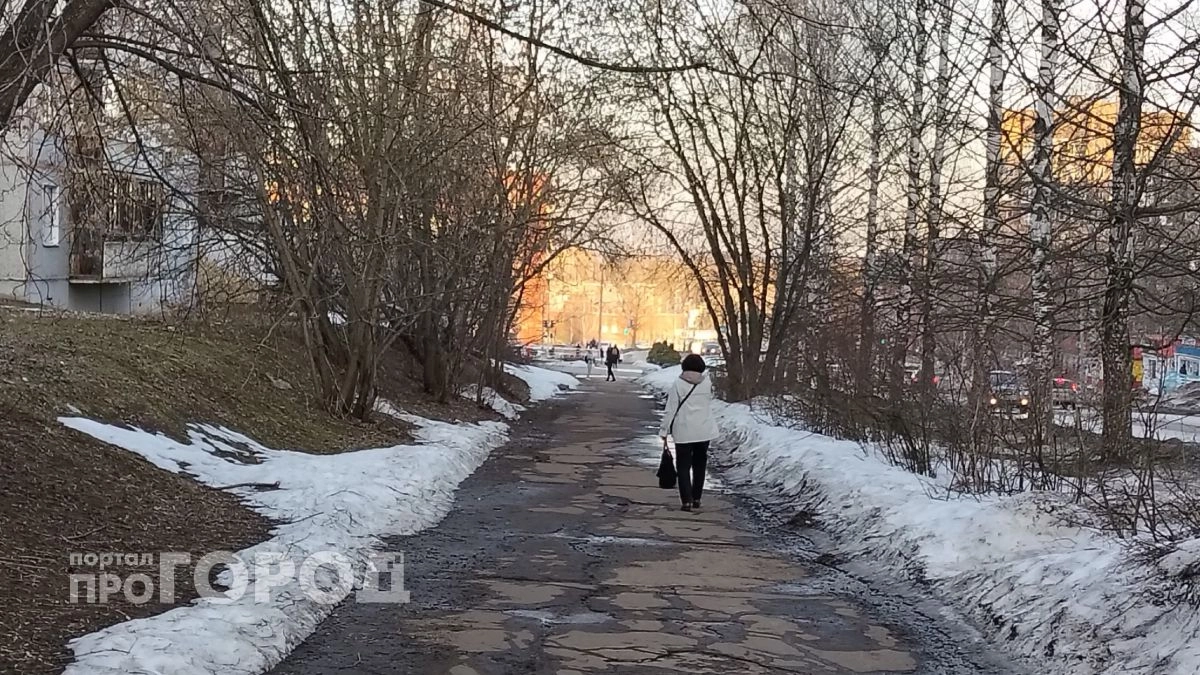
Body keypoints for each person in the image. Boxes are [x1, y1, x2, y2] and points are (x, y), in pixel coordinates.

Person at [659, 354, 717, 512]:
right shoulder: (707, 383)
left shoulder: (678, 384)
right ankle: (697, 497)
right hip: (704, 430)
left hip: (684, 430)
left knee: (683, 466)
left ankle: (686, 501)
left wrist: (664, 430)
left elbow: (670, 409)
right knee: (700, 465)